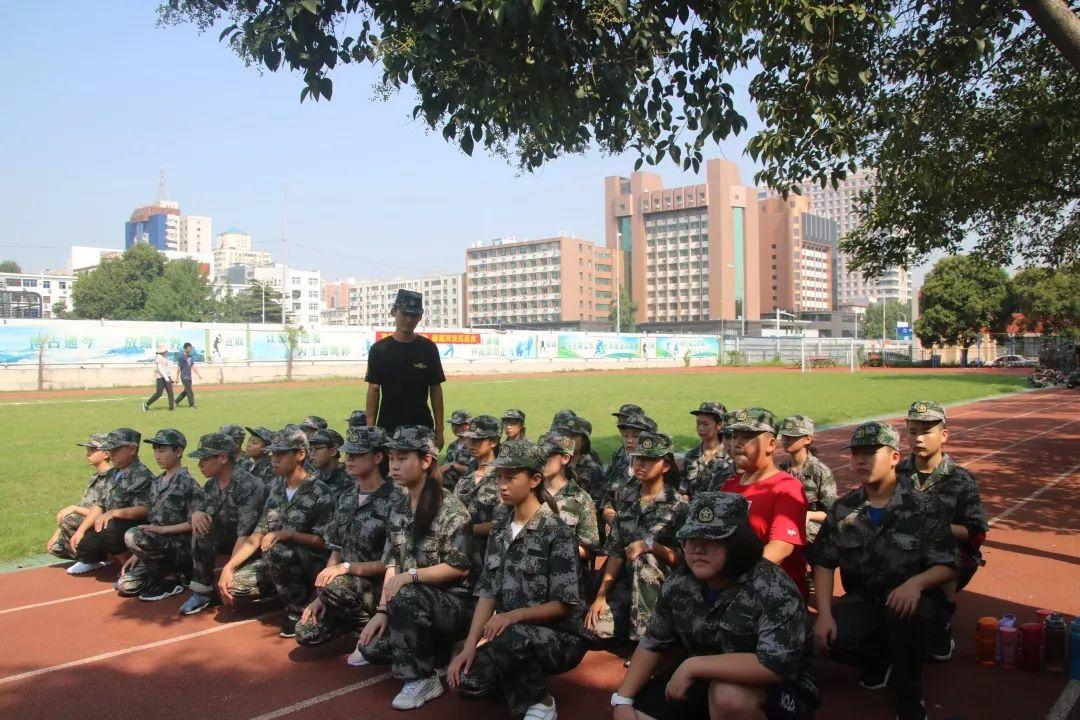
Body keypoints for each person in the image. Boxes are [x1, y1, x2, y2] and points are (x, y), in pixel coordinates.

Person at [611, 492, 820, 720]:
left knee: (729, 697)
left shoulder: (774, 587)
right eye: (691, 540)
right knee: (632, 715)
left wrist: (693, 666)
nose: (698, 550)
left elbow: (774, 666)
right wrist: (622, 699)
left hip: (777, 690)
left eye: (712, 541)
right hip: (703, 676)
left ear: (738, 545)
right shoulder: (680, 582)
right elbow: (652, 641)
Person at [811, 421, 959, 720]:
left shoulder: (923, 506)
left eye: (870, 452)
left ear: (894, 457)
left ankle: (909, 693)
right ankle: (879, 659)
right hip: (865, 601)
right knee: (822, 637)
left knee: (909, 617)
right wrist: (824, 613)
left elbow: (949, 563)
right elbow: (825, 562)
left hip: (914, 604)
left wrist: (916, 583)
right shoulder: (843, 510)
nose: (860, 460)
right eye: (855, 454)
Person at [448, 440, 587, 720]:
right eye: (499, 477)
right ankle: (514, 679)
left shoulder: (555, 531)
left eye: (511, 477)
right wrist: (471, 644)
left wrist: (513, 616)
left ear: (535, 479)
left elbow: (563, 605)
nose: (502, 484)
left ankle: (541, 702)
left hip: (558, 638)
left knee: (512, 639)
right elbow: (487, 592)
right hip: (510, 632)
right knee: (465, 679)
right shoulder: (500, 531)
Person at [353, 425, 473, 711]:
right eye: (392, 458)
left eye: (402, 458)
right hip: (414, 605)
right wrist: (382, 611)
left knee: (407, 594)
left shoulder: (451, 509)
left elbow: (460, 568)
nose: (394, 466)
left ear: (426, 461)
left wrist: (412, 576)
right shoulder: (400, 507)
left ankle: (423, 677)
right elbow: (392, 562)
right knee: (371, 648)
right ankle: (438, 653)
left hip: (454, 606)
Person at [217, 427, 335, 637]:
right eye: (273, 453)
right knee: (235, 585)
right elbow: (258, 535)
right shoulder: (276, 488)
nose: (274, 459)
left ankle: (297, 608)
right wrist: (229, 567)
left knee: (277, 550)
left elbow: (324, 542)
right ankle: (284, 591)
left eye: (281, 454)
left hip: (312, 564)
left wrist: (288, 535)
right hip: (280, 561)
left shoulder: (320, 492)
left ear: (300, 455)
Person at [897, 400, 988, 660]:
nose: (918, 438)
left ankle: (943, 621)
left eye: (926, 431)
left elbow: (976, 533)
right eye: (913, 431)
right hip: (901, 551)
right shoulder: (896, 473)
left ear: (944, 435)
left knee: (943, 556)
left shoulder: (961, 480)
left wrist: (931, 527)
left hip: (946, 559)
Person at [297, 426, 399, 649]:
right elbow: (336, 547)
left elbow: (391, 563)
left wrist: (344, 568)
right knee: (306, 633)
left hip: (379, 587)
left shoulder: (395, 500)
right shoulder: (347, 497)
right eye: (348, 454)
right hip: (346, 584)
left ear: (378, 457)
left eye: (357, 454)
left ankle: (368, 629)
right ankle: (349, 622)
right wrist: (319, 597)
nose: (349, 460)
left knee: (334, 588)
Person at [586, 432, 688, 644]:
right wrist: (601, 596)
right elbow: (615, 553)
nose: (641, 463)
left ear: (666, 466)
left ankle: (648, 643)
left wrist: (649, 546)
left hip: (664, 587)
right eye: (638, 457)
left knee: (645, 560)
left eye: (650, 459)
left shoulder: (678, 506)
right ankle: (641, 625)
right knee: (595, 630)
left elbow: (683, 560)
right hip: (627, 583)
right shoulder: (627, 499)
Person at [719, 408, 810, 599]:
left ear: (770, 445)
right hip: (732, 584)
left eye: (748, 437)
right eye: (734, 436)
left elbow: (781, 547)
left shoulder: (787, 487)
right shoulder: (729, 486)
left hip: (775, 591)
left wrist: (735, 580)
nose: (737, 443)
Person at [181, 433, 267, 616]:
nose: (199, 465)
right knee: (201, 529)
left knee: (237, 586)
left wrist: (229, 570)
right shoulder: (212, 485)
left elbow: (247, 535)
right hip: (231, 538)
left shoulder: (249, 486)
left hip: (253, 547)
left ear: (222, 458)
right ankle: (202, 591)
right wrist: (196, 513)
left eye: (204, 459)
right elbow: (199, 504)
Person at [117, 429, 202, 601]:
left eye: (162, 450)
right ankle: (160, 574)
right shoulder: (156, 482)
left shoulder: (188, 484)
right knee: (125, 585)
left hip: (180, 547)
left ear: (179, 452)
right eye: (155, 450)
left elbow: (194, 523)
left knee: (132, 534)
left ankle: (172, 578)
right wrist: (138, 552)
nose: (157, 455)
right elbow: (153, 519)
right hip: (158, 547)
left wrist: (163, 531)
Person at [65, 428, 154, 575]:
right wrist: (80, 531)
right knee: (85, 546)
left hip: (131, 524)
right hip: (110, 523)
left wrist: (114, 513)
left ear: (132, 449)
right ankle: (100, 559)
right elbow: (99, 504)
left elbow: (145, 509)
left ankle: (132, 567)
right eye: (110, 449)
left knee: (110, 531)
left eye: (116, 450)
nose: (111, 454)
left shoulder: (142, 475)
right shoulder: (112, 473)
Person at [365, 289, 447, 447]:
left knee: (423, 471)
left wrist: (440, 430)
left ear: (420, 317)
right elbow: (373, 389)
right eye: (404, 313)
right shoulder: (379, 349)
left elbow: (435, 389)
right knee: (391, 471)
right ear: (393, 312)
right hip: (388, 430)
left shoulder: (428, 348)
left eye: (414, 315)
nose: (409, 319)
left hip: (422, 428)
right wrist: (370, 429)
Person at [540, 431, 601, 591]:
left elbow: (589, 549)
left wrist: (552, 549)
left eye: (548, 456)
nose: (542, 460)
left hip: (566, 583)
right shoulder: (529, 492)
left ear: (565, 458)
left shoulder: (580, 499)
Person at [48, 432, 113, 560]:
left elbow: (102, 511)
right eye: (88, 449)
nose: (88, 453)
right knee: (56, 546)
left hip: (103, 524)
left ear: (106, 454)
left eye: (93, 450)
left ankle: (94, 558)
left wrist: (73, 509)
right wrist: (58, 532)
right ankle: (90, 557)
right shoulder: (95, 477)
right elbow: (84, 505)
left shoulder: (111, 478)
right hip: (89, 522)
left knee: (70, 518)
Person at [778, 415, 837, 546]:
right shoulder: (781, 470)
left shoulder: (820, 471)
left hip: (814, 530)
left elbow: (832, 514)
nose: (786, 440)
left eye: (792, 437)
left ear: (807, 439)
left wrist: (809, 515)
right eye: (784, 435)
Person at [454, 414, 502, 576]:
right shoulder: (468, 473)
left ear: (494, 442)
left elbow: (500, 523)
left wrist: (464, 529)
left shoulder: (502, 477)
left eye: (478, 440)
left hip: (488, 559)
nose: (471, 444)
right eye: (470, 439)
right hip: (459, 553)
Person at [603, 412, 659, 526]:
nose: (629, 440)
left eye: (636, 436)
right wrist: (615, 522)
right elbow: (608, 502)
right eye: (626, 435)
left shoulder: (657, 471)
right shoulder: (621, 464)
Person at [679, 401, 736, 500]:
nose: (700, 428)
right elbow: (685, 491)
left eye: (705, 424)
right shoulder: (691, 456)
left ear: (719, 425)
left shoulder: (731, 455)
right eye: (698, 423)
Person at [555, 414, 608, 518]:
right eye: (566, 434)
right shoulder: (555, 463)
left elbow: (599, 502)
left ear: (584, 441)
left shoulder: (593, 468)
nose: (568, 439)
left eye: (573, 436)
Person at [606, 403, 646, 488]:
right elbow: (608, 480)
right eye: (619, 421)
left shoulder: (649, 456)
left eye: (625, 420)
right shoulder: (619, 453)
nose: (620, 425)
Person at [440, 409, 475, 491]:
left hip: (466, 489)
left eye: (458, 425)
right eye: (453, 425)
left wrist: (452, 465)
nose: (454, 428)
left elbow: (473, 472)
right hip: (448, 487)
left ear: (468, 425)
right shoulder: (452, 446)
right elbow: (443, 467)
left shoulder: (475, 446)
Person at [309, 428, 350, 496]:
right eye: (311, 449)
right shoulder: (311, 479)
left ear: (333, 451)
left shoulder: (350, 478)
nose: (312, 453)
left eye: (317, 449)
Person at [143, 343, 175, 412]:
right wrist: (166, 377)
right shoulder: (158, 357)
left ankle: (171, 407)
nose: (167, 351)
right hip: (160, 378)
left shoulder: (165, 357)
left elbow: (167, 369)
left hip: (167, 377)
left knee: (170, 392)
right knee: (159, 393)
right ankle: (146, 404)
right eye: (166, 350)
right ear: (162, 351)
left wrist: (169, 377)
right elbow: (160, 368)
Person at [173, 342, 202, 409]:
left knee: (186, 391)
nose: (190, 350)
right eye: (189, 349)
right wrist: (177, 377)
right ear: (185, 349)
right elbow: (179, 368)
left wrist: (198, 374)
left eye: (191, 349)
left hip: (189, 377)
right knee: (190, 391)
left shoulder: (190, 357)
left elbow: (193, 366)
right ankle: (192, 405)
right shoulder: (181, 357)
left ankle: (175, 402)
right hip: (184, 377)